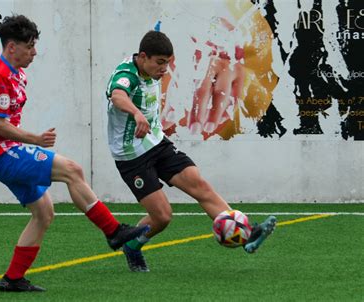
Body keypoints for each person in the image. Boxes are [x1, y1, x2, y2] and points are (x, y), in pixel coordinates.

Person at [0, 14, 149, 292]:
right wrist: (36, 140)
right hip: (2, 155)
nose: (34, 52)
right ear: (11, 46)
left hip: (4, 151)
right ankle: (113, 231)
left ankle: (13, 278)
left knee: (44, 212)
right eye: (29, 46)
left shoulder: (15, 74)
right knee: (72, 170)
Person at [105, 30, 276, 272]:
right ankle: (132, 245)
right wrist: (136, 113)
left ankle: (246, 232)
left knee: (199, 183)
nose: (164, 68)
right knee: (162, 216)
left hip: (156, 143)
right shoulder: (126, 74)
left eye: (168, 62)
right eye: (160, 62)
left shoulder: (151, 69)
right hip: (132, 155)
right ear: (143, 57)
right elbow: (117, 96)